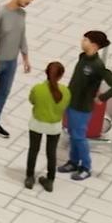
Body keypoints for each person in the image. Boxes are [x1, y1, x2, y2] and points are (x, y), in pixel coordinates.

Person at [60, 30, 112, 181]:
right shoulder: (83, 57)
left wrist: (102, 97)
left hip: (82, 107)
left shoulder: (98, 66)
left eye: (85, 40)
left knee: (79, 137)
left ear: (94, 45)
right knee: (72, 135)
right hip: (71, 102)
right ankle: (73, 162)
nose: (82, 42)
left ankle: (86, 167)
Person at [0, 0, 37, 138]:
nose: (30, 1)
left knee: (3, 92)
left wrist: (25, 56)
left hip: (11, 61)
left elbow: (21, 35)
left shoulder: (22, 14)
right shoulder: (0, 13)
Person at [26, 61, 71, 191]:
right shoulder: (65, 91)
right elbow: (65, 106)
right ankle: (50, 180)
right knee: (51, 153)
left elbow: (32, 100)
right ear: (61, 76)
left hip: (37, 124)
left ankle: (29, 177)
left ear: (46, 73)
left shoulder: (37, 89)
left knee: (33, 150)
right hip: (54, 126)